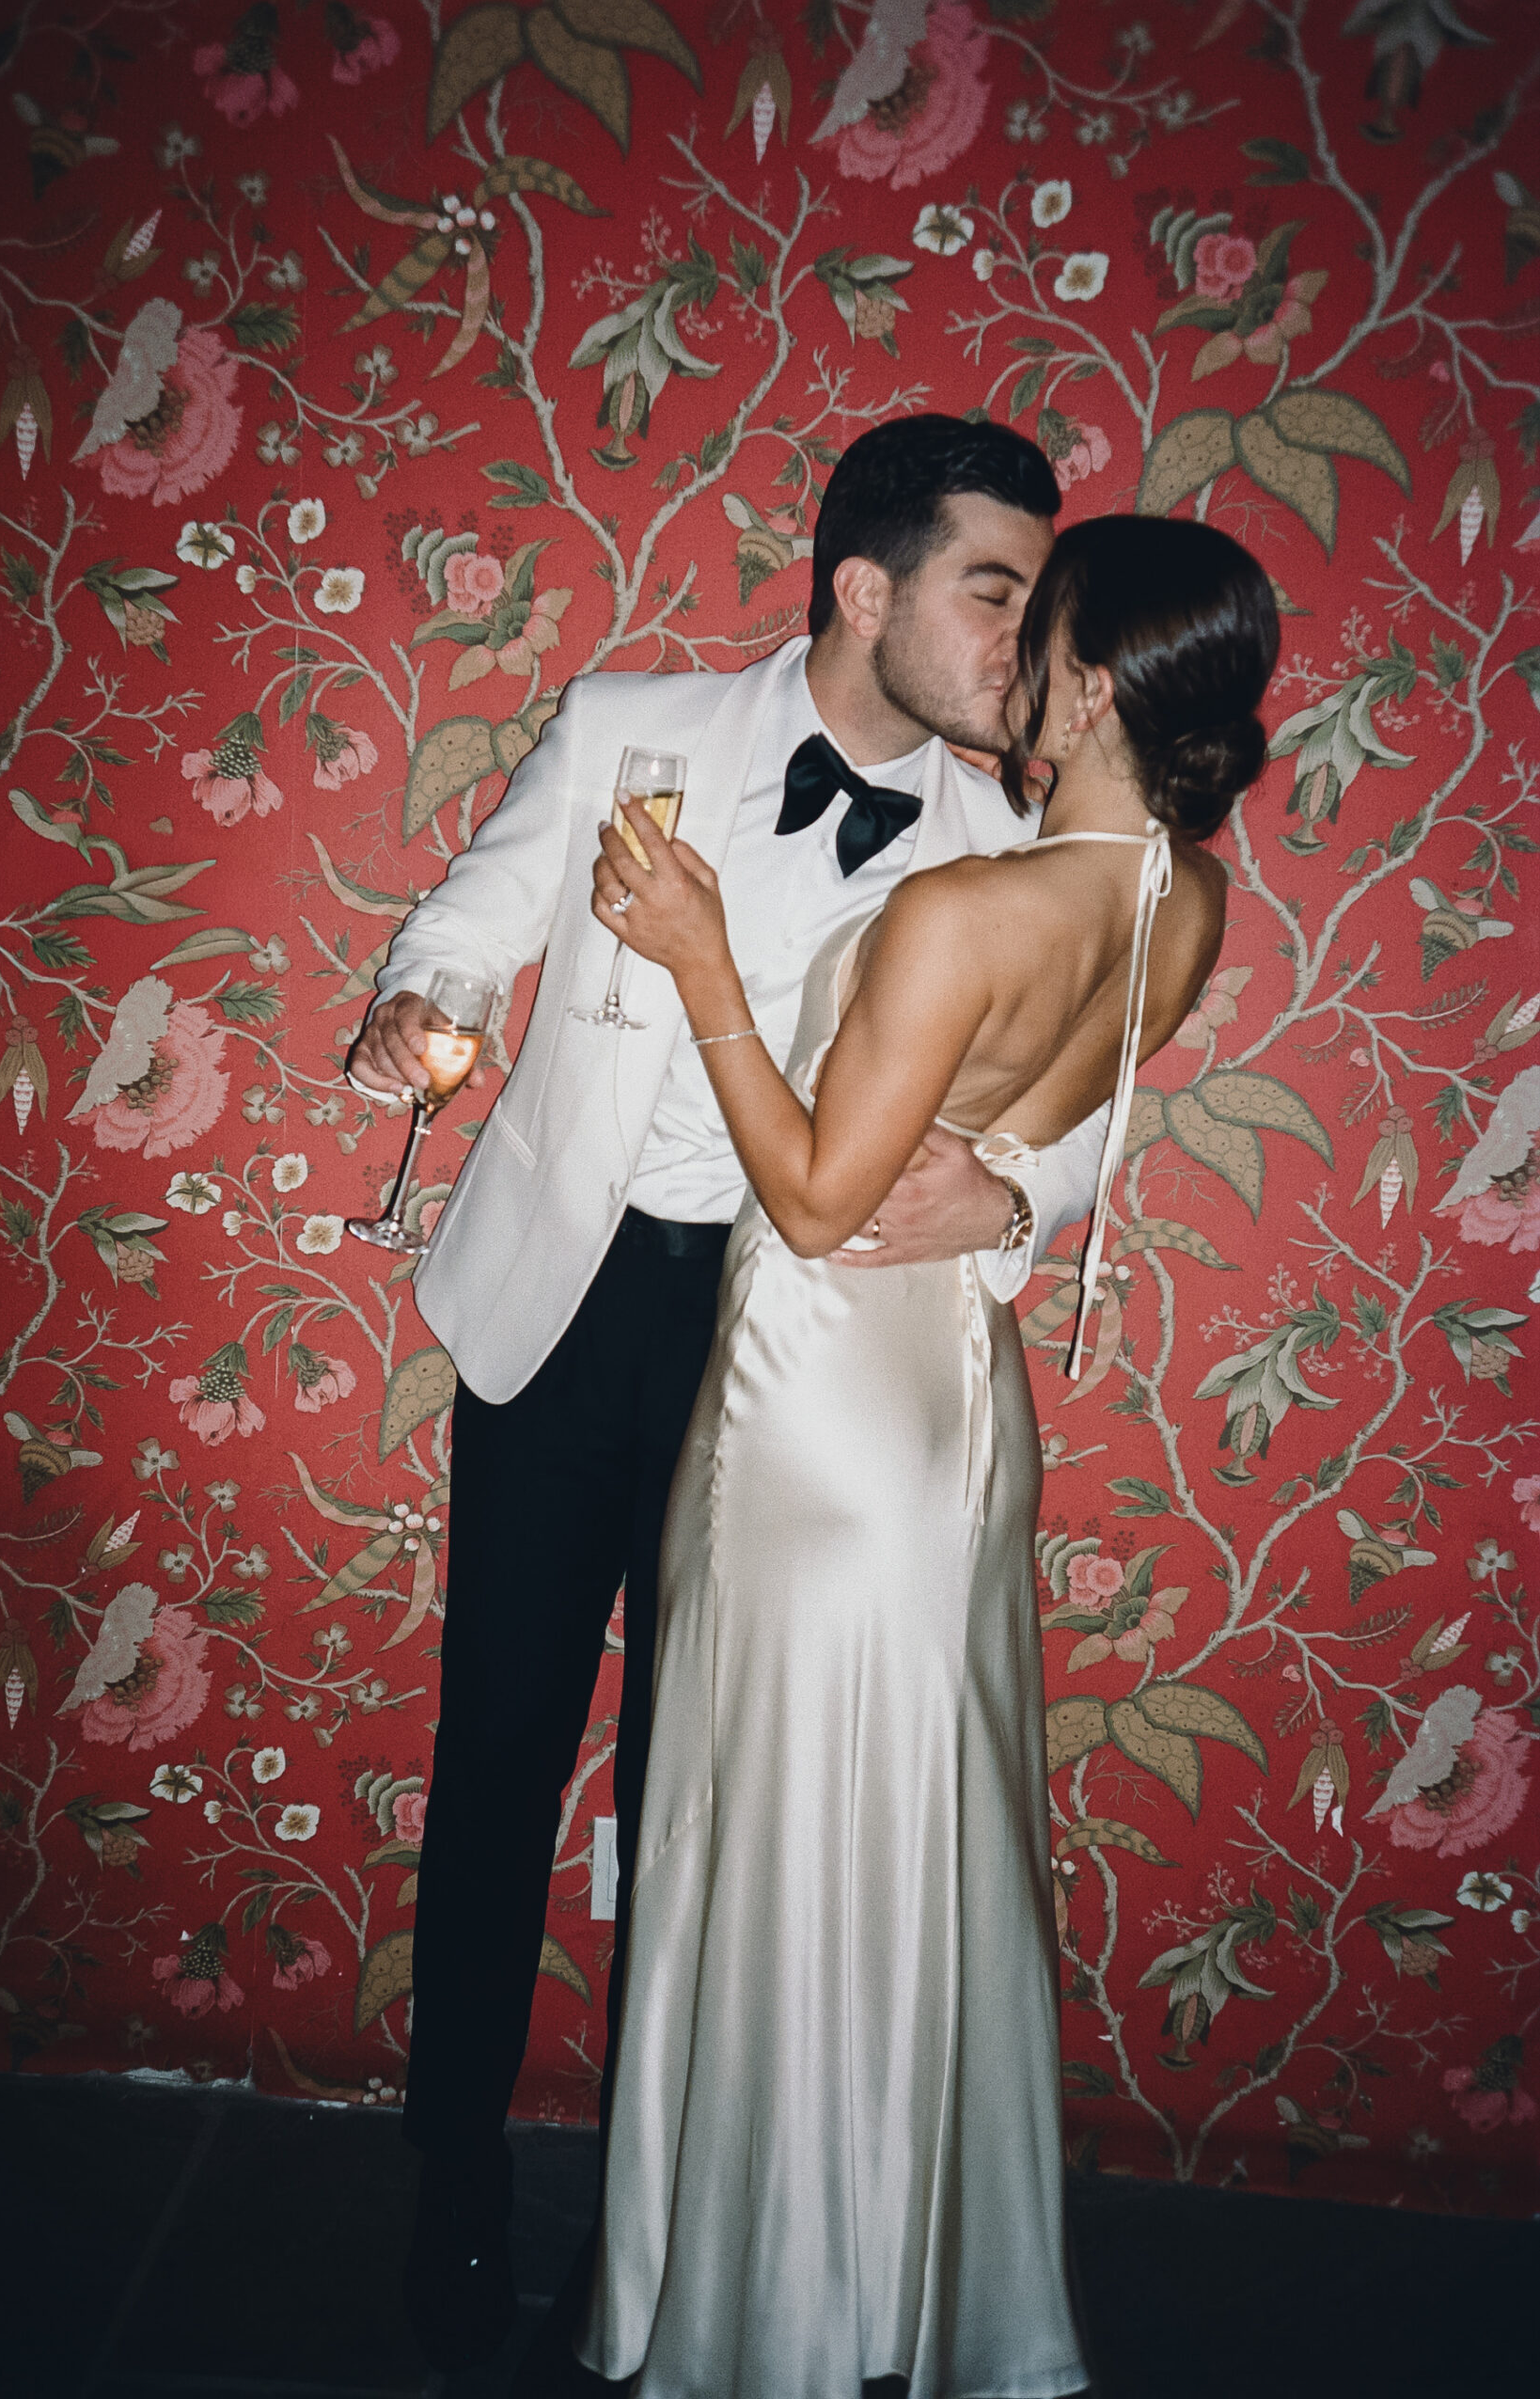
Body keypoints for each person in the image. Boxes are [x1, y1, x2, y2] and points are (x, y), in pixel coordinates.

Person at [343, 416, 1110, 2371]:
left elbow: (1100, 1082)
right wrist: (419, 999)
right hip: (576, 1311)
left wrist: (1013, 1184)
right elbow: (480, 906)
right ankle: (449, 2194)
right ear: (869, 588)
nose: (1025, 641)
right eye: (994, 590)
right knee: (500, 1765)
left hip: (801, 1368)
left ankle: (684, 2225)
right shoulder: (631, 720)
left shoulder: (1015, 829)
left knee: (716, 1816)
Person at [574, 513, 1280, 2399]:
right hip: (968, 1411)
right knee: (919, 1843)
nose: (1008, 662)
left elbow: (810, 1196)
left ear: (1095, 673)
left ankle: (768, 2302)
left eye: (1032, 629)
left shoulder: (959, 910)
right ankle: (901, 2269)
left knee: (786, 1834)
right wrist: (1007, 1185)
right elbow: (1021, 1147)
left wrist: (703, 953)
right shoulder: (1193, 901)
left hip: (821, 1410)